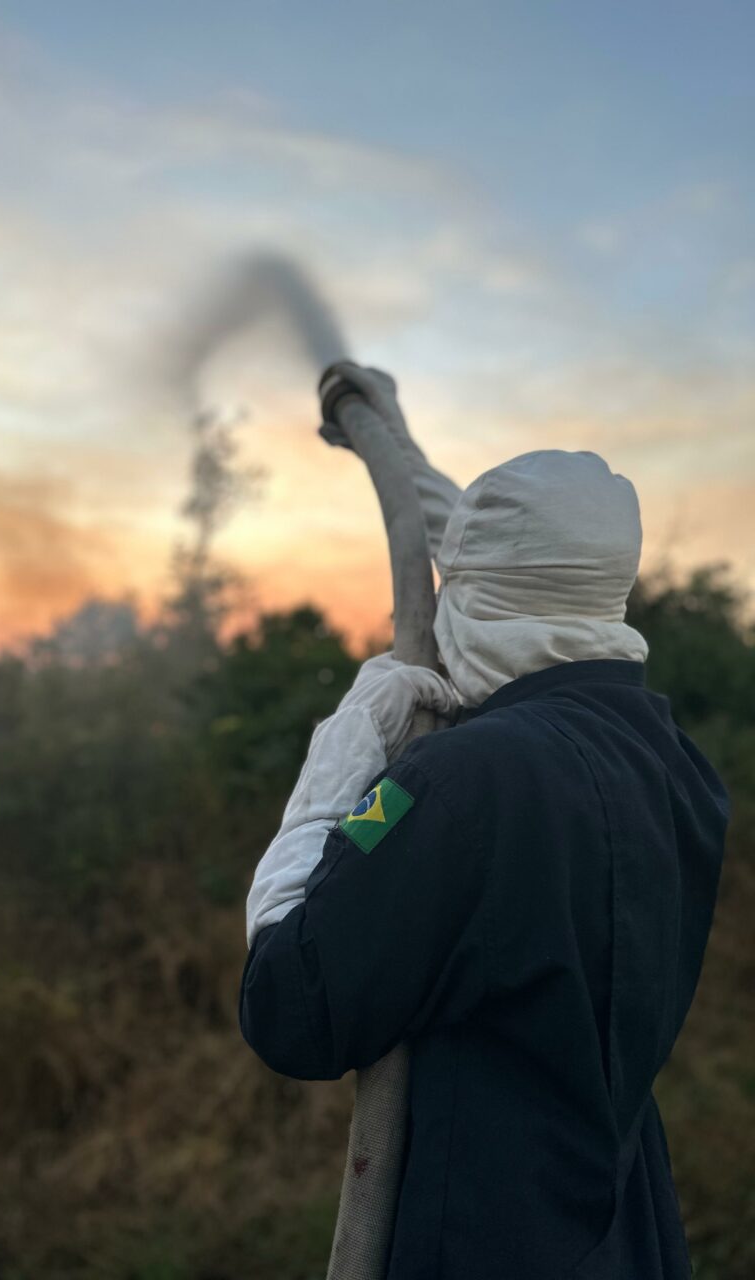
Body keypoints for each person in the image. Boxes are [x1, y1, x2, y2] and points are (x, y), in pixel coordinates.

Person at [239, 364, 729, 1279]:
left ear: (479, 595)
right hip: (621, 1240)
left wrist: (333, 778)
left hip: (475, 1244)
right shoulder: (675, 767)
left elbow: (290, 1007)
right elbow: (490, 549)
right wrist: (386, 433)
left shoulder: (464, 781)